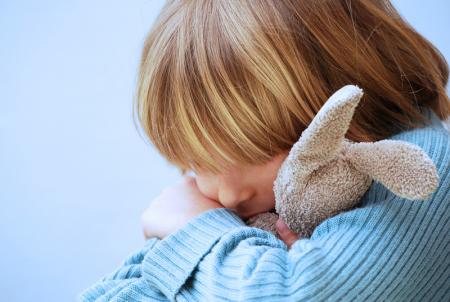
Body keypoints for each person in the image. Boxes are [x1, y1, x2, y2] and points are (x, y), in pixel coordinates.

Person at [78, 0, 450, 301]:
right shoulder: (260, 204)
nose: (227, 194)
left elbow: (301, 294)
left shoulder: (423, 166)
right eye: (199, 160)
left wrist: (194, 230)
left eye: (252, 151)